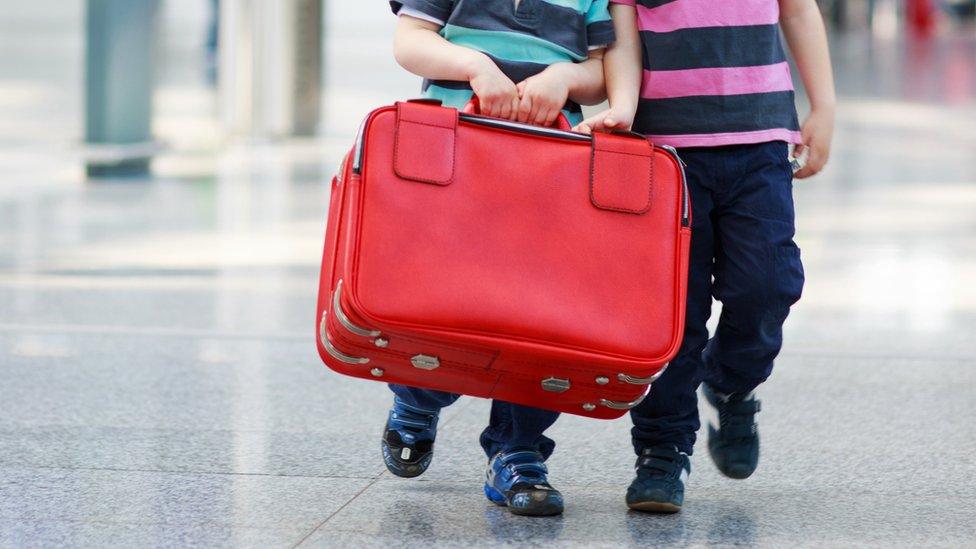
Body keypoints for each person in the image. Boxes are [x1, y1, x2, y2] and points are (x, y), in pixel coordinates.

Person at [577, 0, 835, 512]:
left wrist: (824, 106)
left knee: (768, 283)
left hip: (760, 141)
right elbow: (623, 37)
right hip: (667, 151)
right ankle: (662, 450)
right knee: (674, 314)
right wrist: (623, 110)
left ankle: (733, 384)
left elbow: (800, 13)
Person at [384, 0, 614, 517]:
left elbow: (600, 68)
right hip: (452, 159)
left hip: (549, 167)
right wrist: (475, 67)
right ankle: (419, 396)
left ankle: (519, 449)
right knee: (443, 296)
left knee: (542, 316)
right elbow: (410, 41)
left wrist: (563, 78)